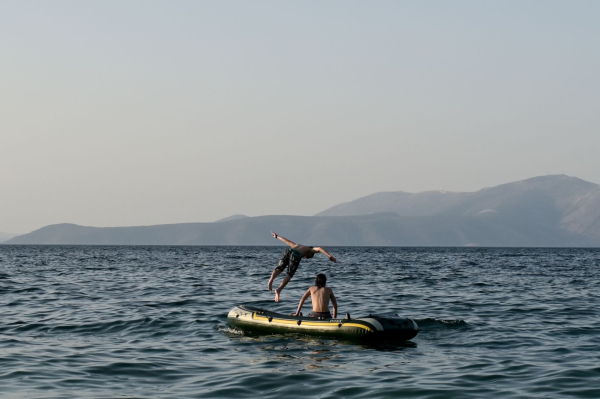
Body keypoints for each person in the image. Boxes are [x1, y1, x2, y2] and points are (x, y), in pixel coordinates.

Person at [268, 231, 336, 302]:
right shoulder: (310, 249)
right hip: (296, 255)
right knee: (289, 275)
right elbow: (319, 248)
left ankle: (271, 280)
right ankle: (279, 290)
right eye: (309, 257)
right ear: (311, 253)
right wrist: (329, 256)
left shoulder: (296, 245)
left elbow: (287, 241)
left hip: (288, 251)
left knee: (279, 268)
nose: (307, 257)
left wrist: (277, 236)